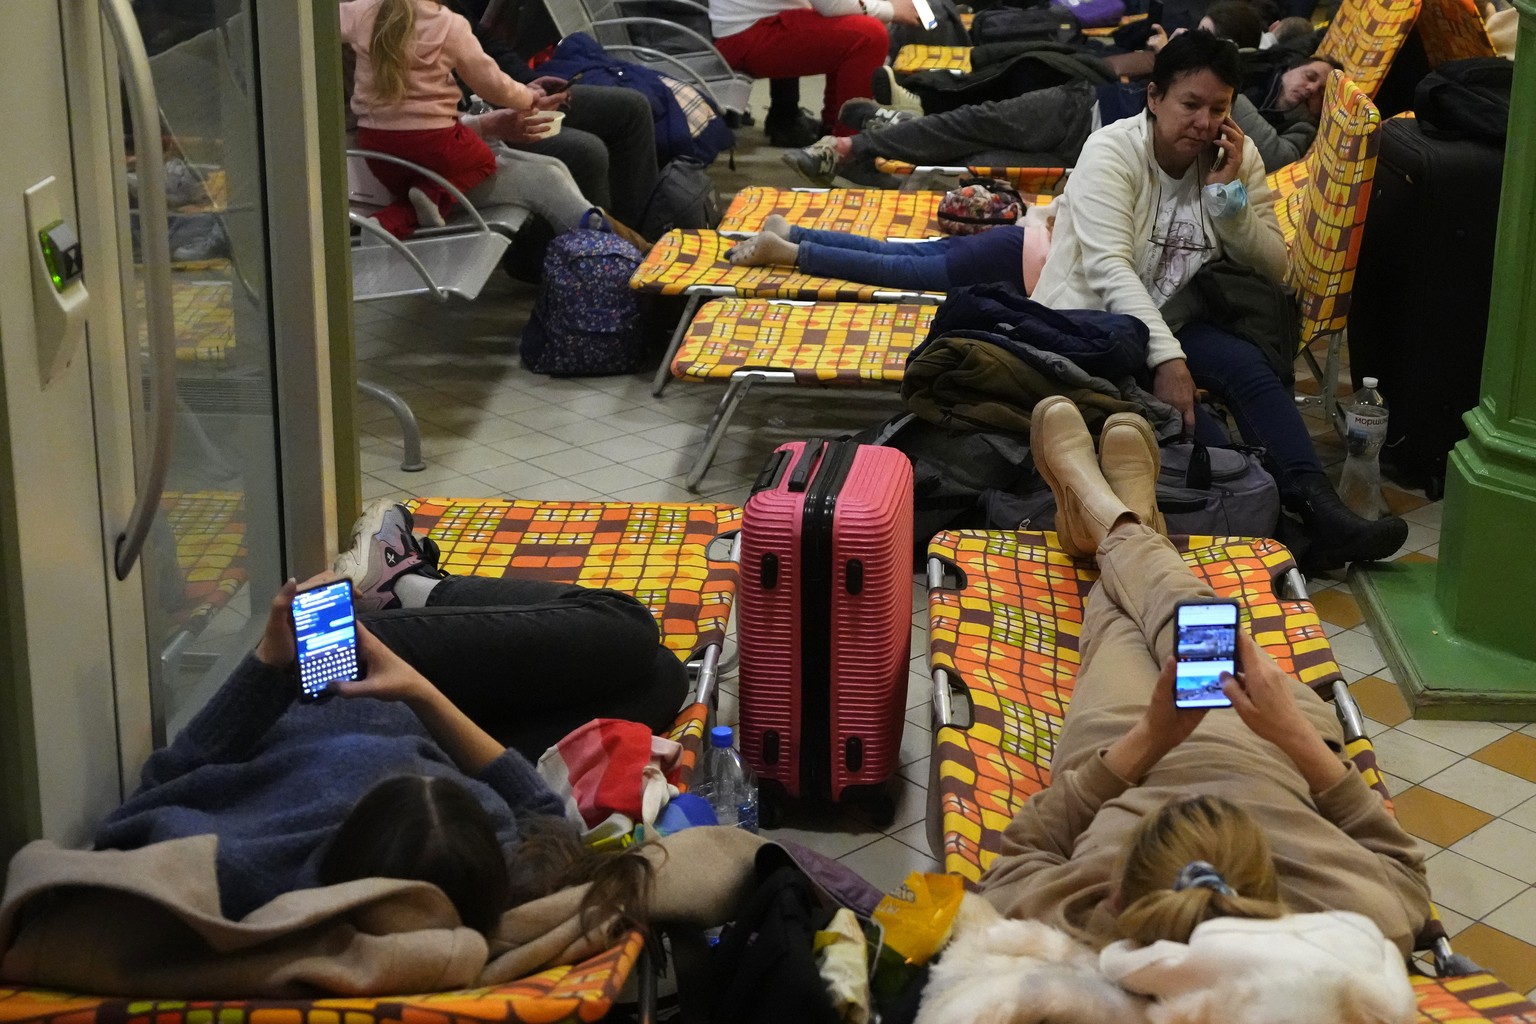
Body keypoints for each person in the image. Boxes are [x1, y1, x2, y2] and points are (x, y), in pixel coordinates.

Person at [975, 396, 1431, 967]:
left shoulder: (1071, 922)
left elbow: (1019, 856)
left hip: (1134, 737)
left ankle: (1107, 515)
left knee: (1128, 611)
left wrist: (1150, 737)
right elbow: (1402, 865)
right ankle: (1123, 519)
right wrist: (1291, 733)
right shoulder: (1352, 927)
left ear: (1115, 899)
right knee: (1175, 609)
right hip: (1262, 728)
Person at [92, 500, 683, 926]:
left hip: (339, 682)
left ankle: (402, 592)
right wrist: (422, 694)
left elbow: (160, 785)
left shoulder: (248, 866)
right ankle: (417, 590)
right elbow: (539, 808)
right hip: (411, 699)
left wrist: (269, 666)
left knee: (632, 651)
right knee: (646, 659)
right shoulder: (466, 857)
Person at [1029, 30, 1406, 567]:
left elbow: (1278, 264)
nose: (1204, 122)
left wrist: (1227, 202)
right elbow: (1111, 270)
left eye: (1218, 108)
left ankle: (1322, 510)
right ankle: (1280, 533)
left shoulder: (1234, 155)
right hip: (1092, 327)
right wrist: (1169, 360)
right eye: (1189, 104)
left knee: (1248, 367)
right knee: (1192, 426)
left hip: (1171, 319)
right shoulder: (1111, 152)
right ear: (1154, 98)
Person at [783, 44, 1333, 187]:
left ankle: (888, 135)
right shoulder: (1241, 73)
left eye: (1318, 90)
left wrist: (1309, 118)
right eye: (1310, 74)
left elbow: (1281, 159)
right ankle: (850, 146)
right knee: (975, 121)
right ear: (1295, 59)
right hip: (1084, 111)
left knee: (976, 160)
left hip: (1075, 154)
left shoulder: (1251, 111)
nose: (1305, 87)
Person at [342, 0, 648, 248]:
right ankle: (621, 265)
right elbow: (491, 83)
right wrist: (526, 97)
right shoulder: (448, 25)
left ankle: (626, 256)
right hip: (424, 158)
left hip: (380, 154)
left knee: (554, 169)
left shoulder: (362, 11)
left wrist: (490, 121)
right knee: (523, 171)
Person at [709, 0, 924, 140]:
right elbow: (832, 5)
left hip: (744, 28)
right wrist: (891, 9)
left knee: (854, 27)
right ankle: (850, 149)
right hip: (745, 36)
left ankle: (834, 129)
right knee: (869, 35)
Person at [725, 210, 1051, 293]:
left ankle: (792, 233)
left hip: (1013, 239)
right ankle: (789, 252)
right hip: (1016, 266)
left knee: (887, 251)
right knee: (891, 269)